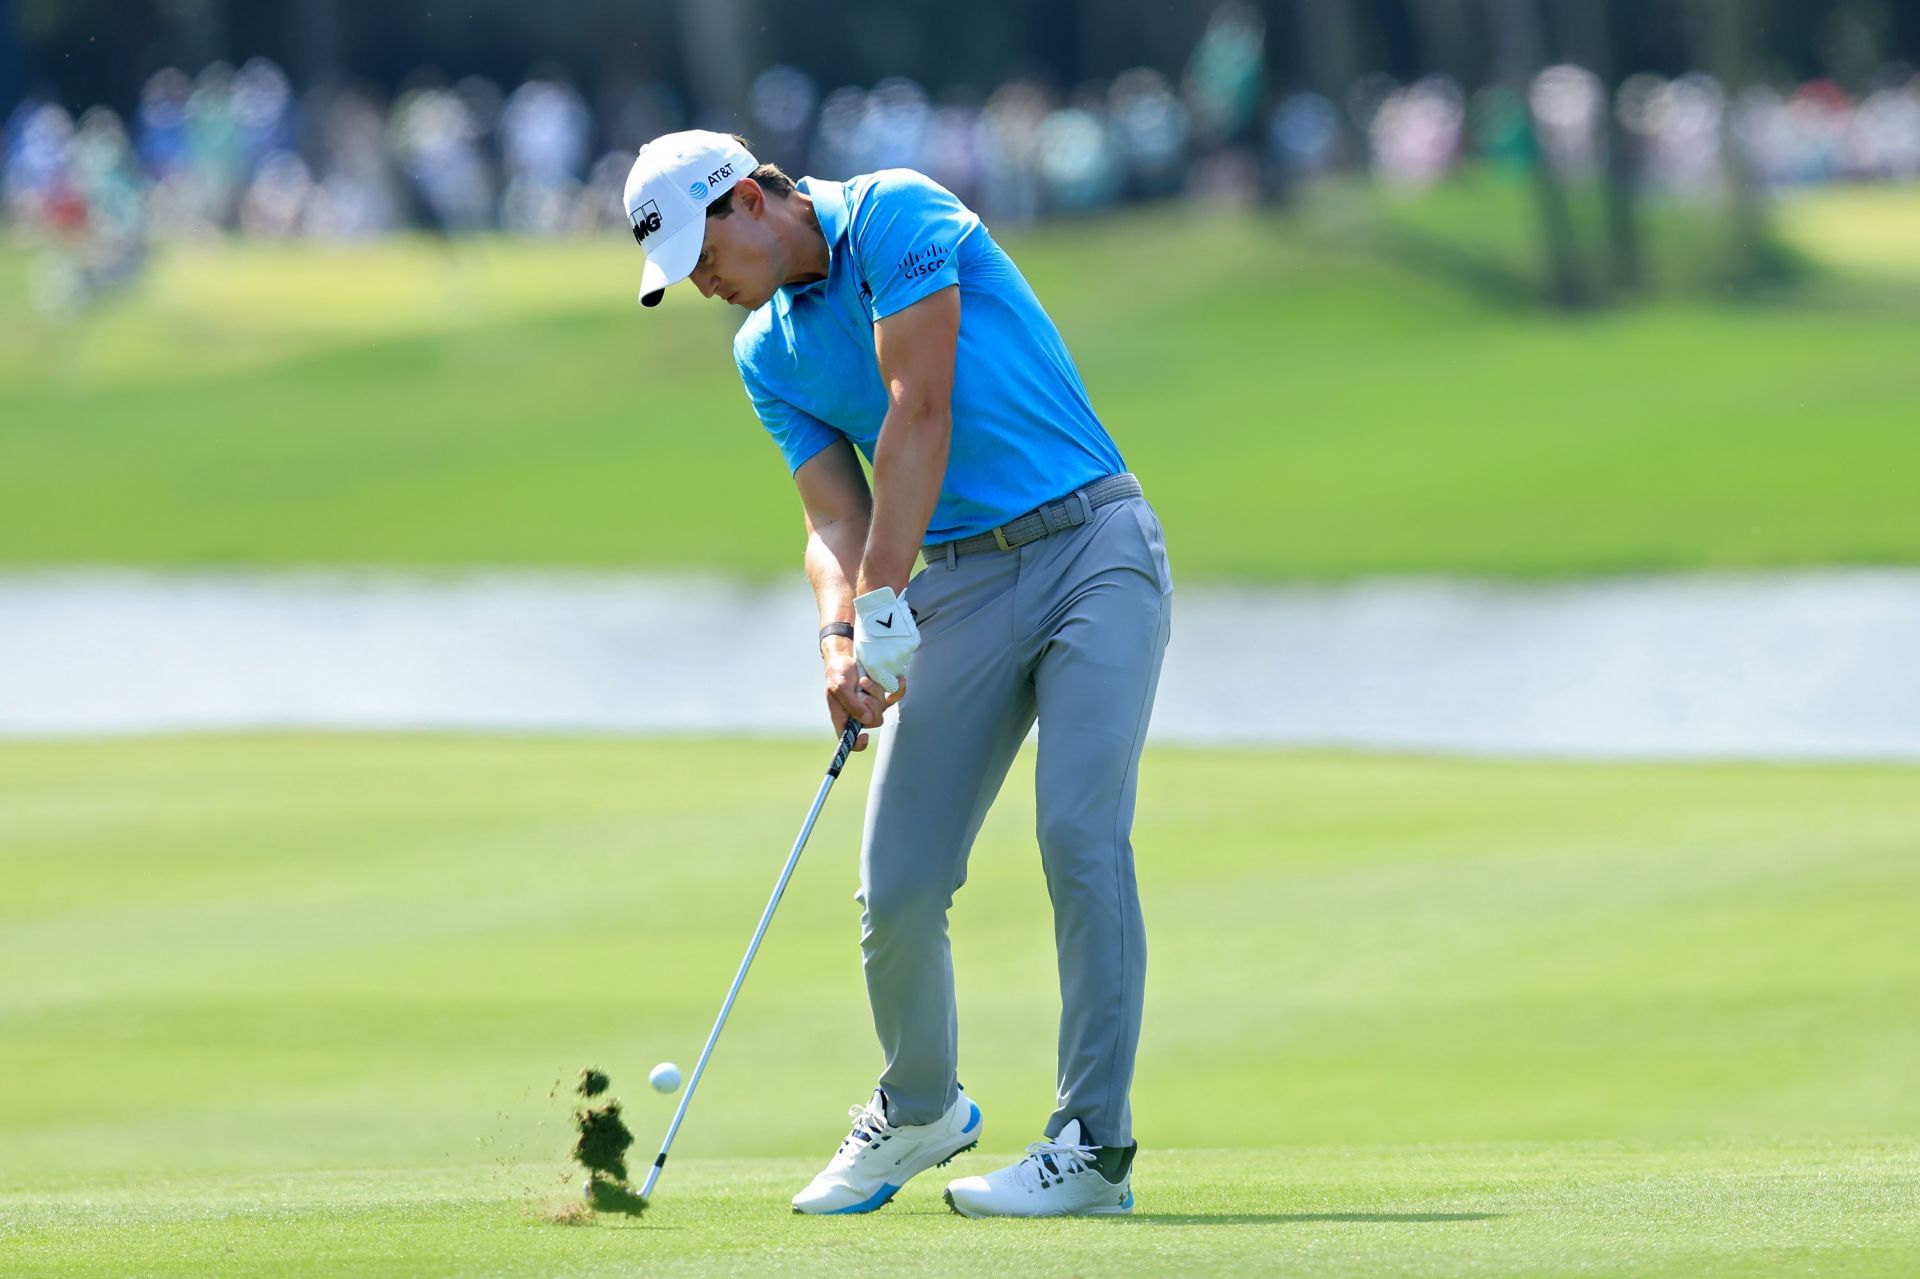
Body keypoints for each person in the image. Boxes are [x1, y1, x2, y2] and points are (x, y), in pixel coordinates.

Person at [621, 130, 1173, 1218]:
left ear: (748, 196)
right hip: (959, 582)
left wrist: (880, 601)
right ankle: (920, 1105)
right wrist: (841, 633)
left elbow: (919, 405)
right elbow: (835, 513)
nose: (701, 282)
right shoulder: (764, 353)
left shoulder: (897, 213)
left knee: (1076, 833)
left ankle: (1090, 1147)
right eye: (682, 269)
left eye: (703, 251)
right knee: (901, 882)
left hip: (1093, 547)